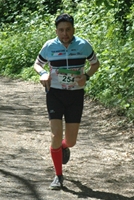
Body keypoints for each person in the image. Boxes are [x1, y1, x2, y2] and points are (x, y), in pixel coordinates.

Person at [33, 13, 100, 190]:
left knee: (70, 141)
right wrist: (43, 73)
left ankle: (64, 147)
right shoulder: (49, 46)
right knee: (55, 135)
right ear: (56, 31)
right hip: (54, 93)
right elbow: (38, 64)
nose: (65, 34)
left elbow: (95, 64)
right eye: (61, 30)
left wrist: (86, 76)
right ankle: (58, 175)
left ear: (73, 29)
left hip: (75, 96)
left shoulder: (83, 45)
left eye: (68, 29)